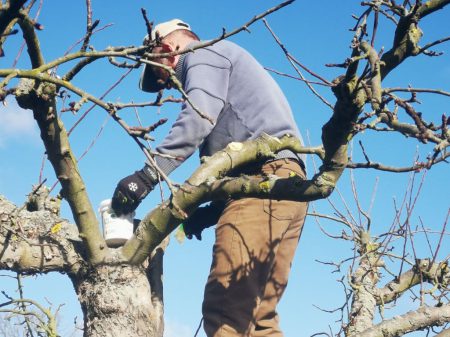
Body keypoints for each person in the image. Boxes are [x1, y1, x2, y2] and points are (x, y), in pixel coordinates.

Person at [111, 19, 308, 337]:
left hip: (262, 183)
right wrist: (211, 212)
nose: (165, 83)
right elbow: (233, 148)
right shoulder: (223, 65)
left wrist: (147, 176)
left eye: (158, 71)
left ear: (168, 48)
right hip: (287, 184)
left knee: (226, 308)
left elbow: (198, 117)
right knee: (259, 318)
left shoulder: (202, 54)